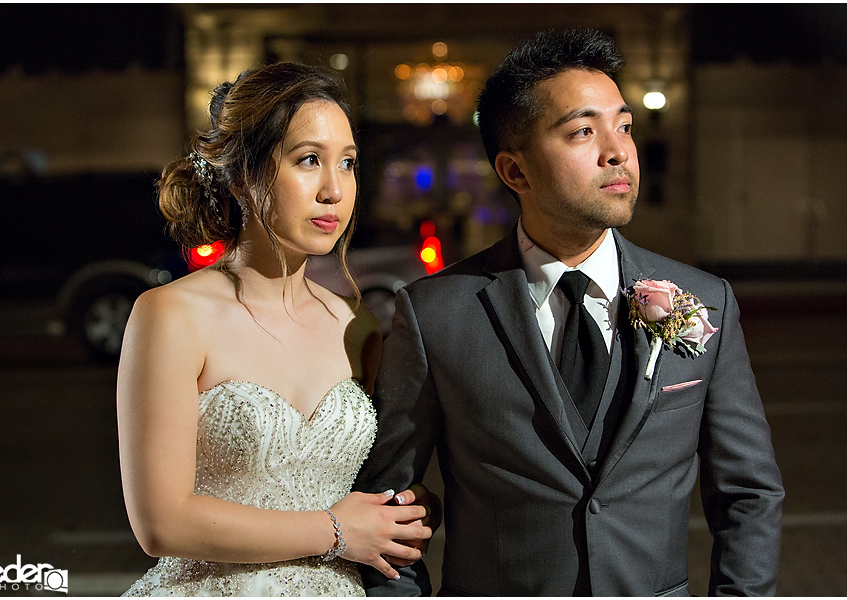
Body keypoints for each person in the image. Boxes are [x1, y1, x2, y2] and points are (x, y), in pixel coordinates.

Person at [356, 28, 784, 596]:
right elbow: (391, 508)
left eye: (624, 126)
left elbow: (747, 494)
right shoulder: (436, 313)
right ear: (515, 172)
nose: (618, 151)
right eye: (584, 131)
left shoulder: (706, 299)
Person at [117, 62, 435, 597]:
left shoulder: (358, 325)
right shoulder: (170, 316)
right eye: (309, 160)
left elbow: (375, 482)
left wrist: (408, 508)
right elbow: (160, 523)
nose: (334, 190)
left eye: (349, 163)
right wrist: (335, 531)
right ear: (242, 177)